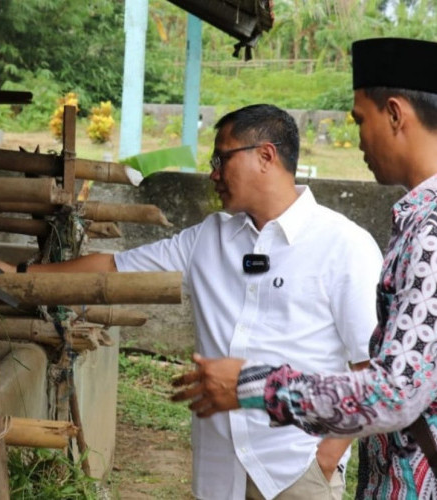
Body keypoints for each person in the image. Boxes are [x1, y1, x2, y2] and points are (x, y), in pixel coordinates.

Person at [0, 103, 383, 499]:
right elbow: (112, 267)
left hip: (296, 469)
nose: (213, 173)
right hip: (219, 470)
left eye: (221, 158)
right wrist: (17, 276)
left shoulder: (344, 246)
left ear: (266, 155)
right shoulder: (209, 238)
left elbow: (369, 369)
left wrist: (324, 460)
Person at [171, 37, 437, 498]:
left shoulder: (430, 229)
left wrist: (253, 385)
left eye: (360, 120)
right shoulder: (414, 220)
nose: (357, 140)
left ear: (395, 114)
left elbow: (394, 393)